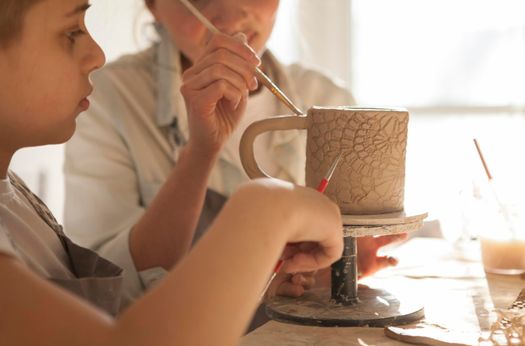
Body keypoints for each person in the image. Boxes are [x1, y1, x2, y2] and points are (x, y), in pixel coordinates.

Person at [0, 0, 344, 346]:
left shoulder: (15, 197)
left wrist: (267, 285)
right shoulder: (113, 99)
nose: (98, 55)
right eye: (72, 31)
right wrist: (269, 207)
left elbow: (107, 304)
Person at [64, 0, 404, 309]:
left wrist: (339, 268)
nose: (233, 15)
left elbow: (337, 268)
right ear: (154, 6)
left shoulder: (327, 97)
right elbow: (107, 286)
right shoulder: (108, 98)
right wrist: (200, 152)